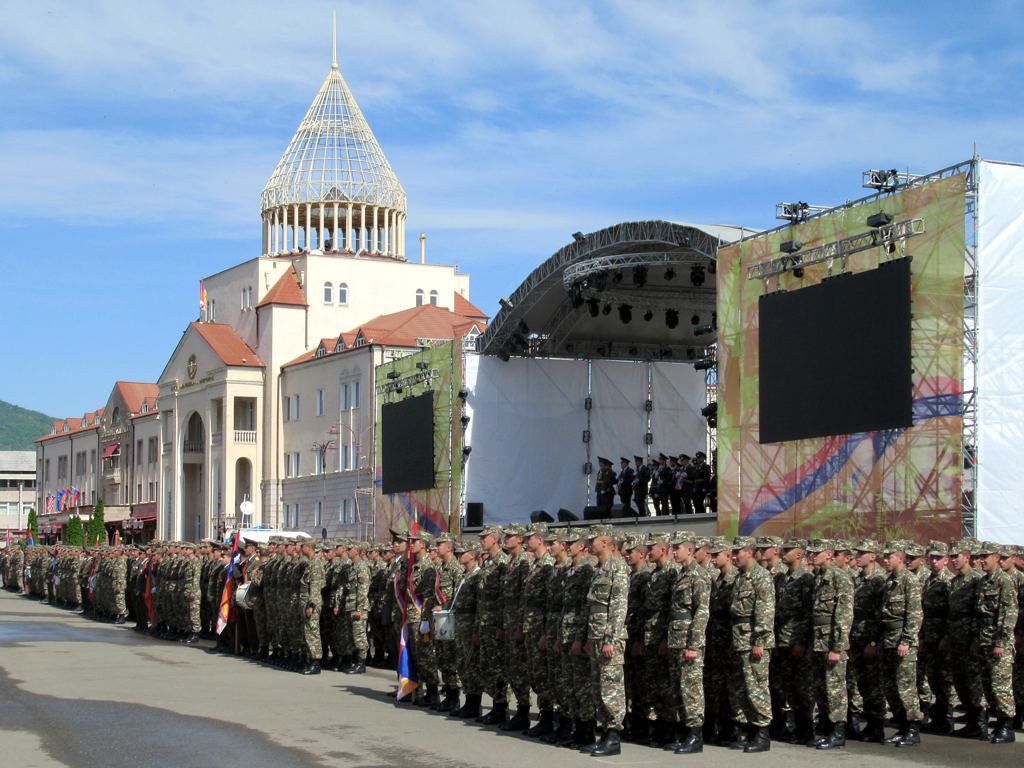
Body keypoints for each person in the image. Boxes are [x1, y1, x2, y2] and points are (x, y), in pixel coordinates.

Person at [583, 525, 630, 756]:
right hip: (596, 636)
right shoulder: (597, 569)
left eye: (595, 539)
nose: (591, 542)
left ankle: (613, 737)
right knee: (598, 687)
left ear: (607, 543)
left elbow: (619, 607)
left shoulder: (618, 568)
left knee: (611, 688)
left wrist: (610, 638)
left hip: (609, 638)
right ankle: (604, 733)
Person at [728, 536, 775, 753]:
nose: (734, 556)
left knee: (757, 686)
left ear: (749, 552)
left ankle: (762, 732)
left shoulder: (761, 577)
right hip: (739, 638)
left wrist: (760, 641)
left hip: (753, 640)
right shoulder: (740, 578)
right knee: (742, 688)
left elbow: (764, 612)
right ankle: (749, 729)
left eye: (738, 552)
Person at [807, 540, 853, 750]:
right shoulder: (818, 578)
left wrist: (837, 647)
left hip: (832, 642)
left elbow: (843, 615)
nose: (811, 555)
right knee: (820, 686)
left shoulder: (840, 578)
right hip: (818, 640)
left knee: (835, 687)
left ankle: (838, 730)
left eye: (816, 552)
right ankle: (825, 726)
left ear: (828, 554)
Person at [973, 541, 1018, 743]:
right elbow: (979, 614)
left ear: (997, 558)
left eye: (985, 556)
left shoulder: (1005, 581)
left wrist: (1001, 642)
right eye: (980, 557)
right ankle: (998, 723)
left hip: (998, 643)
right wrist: (976, 639)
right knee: (988, 685)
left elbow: (1008, 614)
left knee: (1001, 686)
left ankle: (1007, 726)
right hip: (984, 640)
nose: (981, 560)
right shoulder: (984, 581)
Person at [878, 542, 922, 747]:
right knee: (890, 686)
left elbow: (914, 614)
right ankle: (902, 726)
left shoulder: (909, 581)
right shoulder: (890, 581)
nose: (885, 560)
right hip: (888, 640)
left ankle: (912, 729)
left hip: (902, 642)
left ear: (900, 559)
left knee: (906, 687)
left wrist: (907, 640)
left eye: (889, 557)